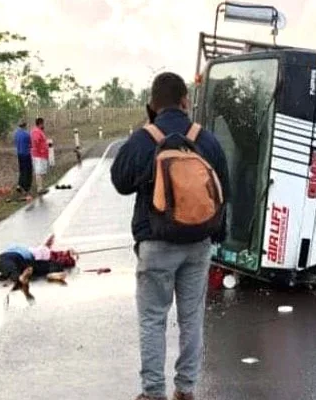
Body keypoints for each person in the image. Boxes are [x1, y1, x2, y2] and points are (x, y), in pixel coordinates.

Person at [111, 72, 230, 400]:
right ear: (185, 101)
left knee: (153, 319)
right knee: (192, 319)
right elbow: (224, 192)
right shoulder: (205, 139)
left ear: (152, 105)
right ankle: (186, 389)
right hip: (198, 244)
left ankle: (153, 393)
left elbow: (120, 182)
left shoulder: (143, 139)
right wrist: (216, 236)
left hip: (156, 243)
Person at [30, 118, 50, 195]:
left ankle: (41, 187)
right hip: (38, 155)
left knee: (41, 171)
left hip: (41, 155)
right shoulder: (36, 131)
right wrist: (40, 150)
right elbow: (36, 141)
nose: (43, 125)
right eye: (43, 124)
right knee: (38, 171)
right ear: (40, 123)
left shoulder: (39, 131)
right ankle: (39, 188)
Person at [13, 121, 32, 193]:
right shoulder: (26, 134)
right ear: (25, 126)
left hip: (19, 154)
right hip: (26, 154)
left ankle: (19, 184)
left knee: (21, 170)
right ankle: (26, 187)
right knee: (27, 170)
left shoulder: (16, 134)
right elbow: (31, 144)